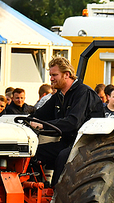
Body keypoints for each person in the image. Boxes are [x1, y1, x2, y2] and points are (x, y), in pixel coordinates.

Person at [34, 57, 104, 186]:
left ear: (67, 75)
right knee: (34, 153)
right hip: (67, 142)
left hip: (86, 143)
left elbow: (73, 123)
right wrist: (24, 118)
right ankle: (35, 188)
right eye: (50, 75)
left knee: (63, 157)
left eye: (54, 75)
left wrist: (42, 125)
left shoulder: (83, 93)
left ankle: (56, 195)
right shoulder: (59, 96)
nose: (51, 78)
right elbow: (39, 114)